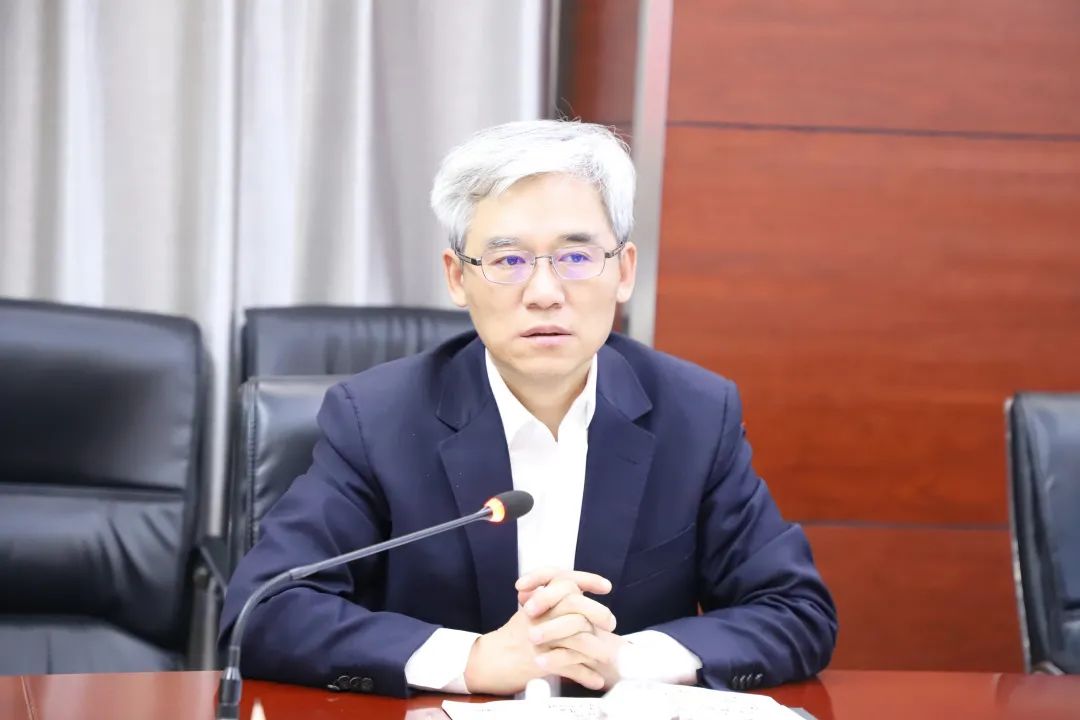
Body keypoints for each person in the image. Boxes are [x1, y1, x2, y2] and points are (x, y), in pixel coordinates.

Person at [220, 119, 837, 698]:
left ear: (623, 271)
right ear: (458, 278)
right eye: (509, 260)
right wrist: (470, 659)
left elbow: (795, 611)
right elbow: (266, 608)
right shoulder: (377, 418)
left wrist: (629, 659)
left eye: (576, 257)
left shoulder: (695, 415)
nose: (544, 292)